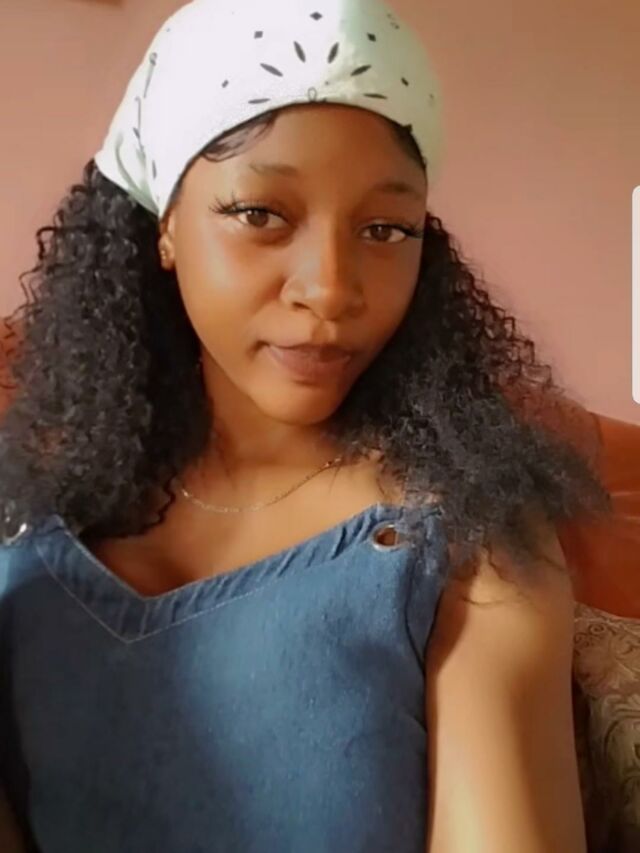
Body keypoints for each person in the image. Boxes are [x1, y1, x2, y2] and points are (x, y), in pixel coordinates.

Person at [0, 1, 613, 851]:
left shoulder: (475, 543)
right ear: (165, 223)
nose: (330, 288)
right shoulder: (26, 517)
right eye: (261, 214)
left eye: (384, 228)